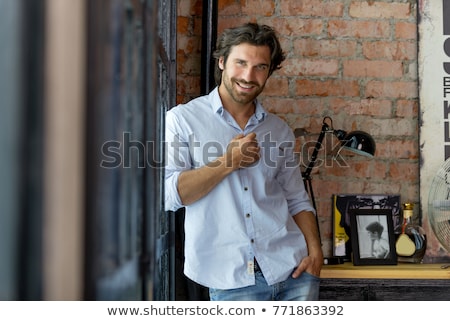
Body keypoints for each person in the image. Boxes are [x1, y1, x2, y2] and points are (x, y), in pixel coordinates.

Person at [165, 22, 323, 301]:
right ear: (223, 62)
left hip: (294, 272)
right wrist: (229, 161)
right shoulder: (183, 119)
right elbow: (171, 195)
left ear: (269, 71)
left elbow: (297, 200)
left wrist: (315, 253)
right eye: (240, 63)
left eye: (260, 67)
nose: (248, 76)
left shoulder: (279, 130)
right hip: (231, 282)